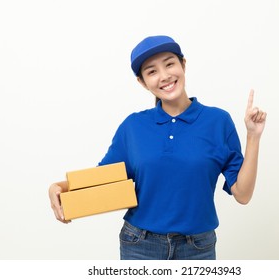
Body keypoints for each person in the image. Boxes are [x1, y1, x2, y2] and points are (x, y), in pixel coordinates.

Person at [49, 35, 267, 260]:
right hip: (139, 246)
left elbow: (243, 194)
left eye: (170, 64)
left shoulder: (218, 121)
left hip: (198, 249)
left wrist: (253, 136)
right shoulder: (133, 126)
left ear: (183, 64)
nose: (164, 76)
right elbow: (102, 181)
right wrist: (60, 187)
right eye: (152, 71)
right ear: (142, 82)